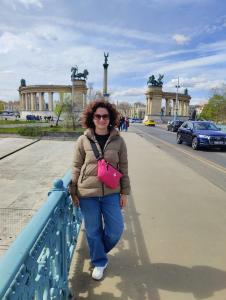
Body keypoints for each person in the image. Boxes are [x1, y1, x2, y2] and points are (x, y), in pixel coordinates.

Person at [70, 99, 130, 280]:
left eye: (105, 116)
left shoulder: (119, 141)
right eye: (98, 116)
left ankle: (98, 251)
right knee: (93, 230)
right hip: (87, 193)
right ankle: (99, 262)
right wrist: (73, 190)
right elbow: (76, 166)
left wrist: (125, 192)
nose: (102, 119)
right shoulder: (82, 140)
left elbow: (124, 168)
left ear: (110, 118)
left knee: (116, 229)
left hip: (111, 192)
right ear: (92, 118)